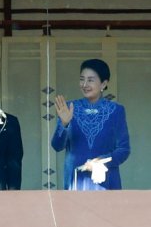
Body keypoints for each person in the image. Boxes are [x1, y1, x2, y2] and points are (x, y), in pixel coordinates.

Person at [51, 59, 131, 190]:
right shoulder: (70, 108)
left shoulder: (116, 110)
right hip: (76, 182)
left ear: (103, 84)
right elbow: (57, 146)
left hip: (106, 182)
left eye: (90, 80)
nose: (84, 84)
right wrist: (64, 124)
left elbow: (124, 150)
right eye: (82, 79)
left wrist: (100, 162)